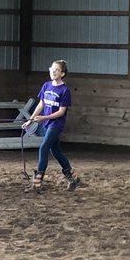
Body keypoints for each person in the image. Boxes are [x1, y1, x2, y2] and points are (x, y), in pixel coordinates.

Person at [22, 60, 80, 192]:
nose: (53, 72)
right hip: (47, 124)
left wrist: (43, 118)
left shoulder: (65, 90)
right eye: (52, 69)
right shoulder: (46, 86)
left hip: (56, 124)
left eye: (57, 70)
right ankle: (73, 178)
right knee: (55, 151)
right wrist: (30, 120)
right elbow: (41, 104)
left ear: (62, 74)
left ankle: (37, 182)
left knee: (43, 148)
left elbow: (61, 112)